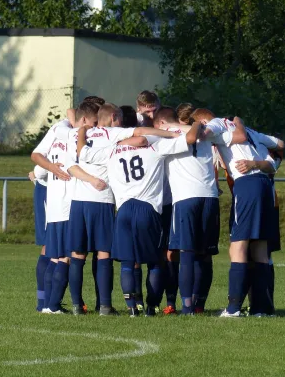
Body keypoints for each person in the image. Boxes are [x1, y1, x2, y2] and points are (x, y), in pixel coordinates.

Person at [77, 123, 202, 316]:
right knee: (154, 262)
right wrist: (196, 123)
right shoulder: (155, 145)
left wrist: (82, 131)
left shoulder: (111, 151)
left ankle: (132, 308)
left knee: (127, 262)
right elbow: (189, 139)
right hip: (148, 208)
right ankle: (151, 307)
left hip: (124, 209)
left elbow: (83, 152)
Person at [196, 110, 282, 317]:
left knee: (238, 246)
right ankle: (261, 308)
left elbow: (203, 133)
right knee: (260, 248)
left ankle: (233, 308)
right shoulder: (250, 131)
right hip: (265, 184)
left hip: (247, 184)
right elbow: (280, 144)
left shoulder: (217, 125)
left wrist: (199, 130)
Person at [153, 107, 235, 314]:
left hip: (185, 199)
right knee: (205, 254)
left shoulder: (165, 140)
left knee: (186, 252)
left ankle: (187, 306)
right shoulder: (206, 133)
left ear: (162, 124)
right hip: (210, 196)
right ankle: (200, 305)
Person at [31, 101, 103, 314]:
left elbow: (36, 162)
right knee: (65, 257)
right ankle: (52, 306)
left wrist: (49, 168)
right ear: (83, 120)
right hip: (66, 204)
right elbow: (37, 160)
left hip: (54, 205)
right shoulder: (74, 137)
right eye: (94, 122)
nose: (97, 127)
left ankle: (45, 304)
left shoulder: (57, 130)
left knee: (54, 255)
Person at [29, 165, 49, 312]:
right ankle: (44, 302)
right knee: (49, 246)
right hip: (49, 194)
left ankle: (47, 301)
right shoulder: (54, 142)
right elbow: (38, 171)